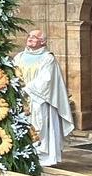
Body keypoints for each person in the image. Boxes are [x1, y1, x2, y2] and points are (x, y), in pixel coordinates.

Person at [13, 29, 75, 166]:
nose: (30, 38)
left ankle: (43, 156)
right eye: (29, 36)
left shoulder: (48, 58)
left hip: (39, 99)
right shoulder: (19, 57)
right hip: (21, 99)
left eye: (34, 37)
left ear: (43, 42)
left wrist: (26, 89)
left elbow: (46, 80)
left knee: (40, 127)